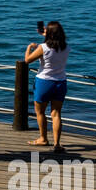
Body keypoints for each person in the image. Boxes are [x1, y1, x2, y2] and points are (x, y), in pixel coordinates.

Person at [25, 20, 69, 151]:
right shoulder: (66, 47)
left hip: (44, 82)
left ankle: (43, 138)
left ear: (49, 34)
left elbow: (27, 60)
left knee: (40, 112)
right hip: (60, 82)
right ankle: (57, 144)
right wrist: (47, 35)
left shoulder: (43, 48)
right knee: (56, 113)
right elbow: (53, 46)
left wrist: (29, 48)